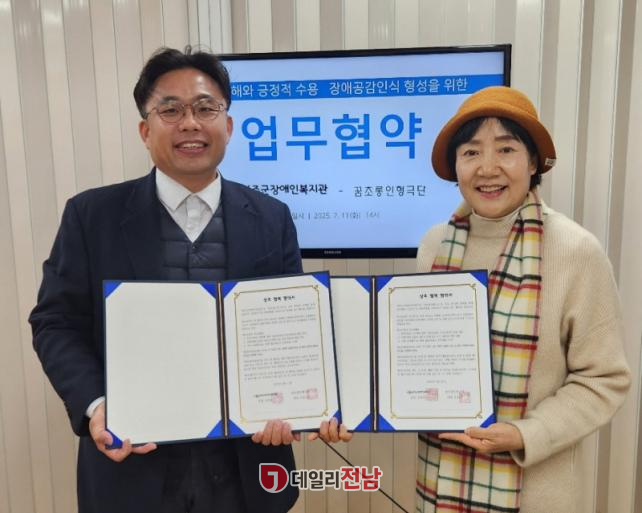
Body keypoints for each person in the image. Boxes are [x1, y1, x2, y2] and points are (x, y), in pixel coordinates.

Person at [30, 46, 314, 513]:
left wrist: (295, 403)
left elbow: (291, 331)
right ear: (145, 130)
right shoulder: (91, 216)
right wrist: (97, 405)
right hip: (131, 467)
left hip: (244, 469)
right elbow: (56, 322)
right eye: (171, 110)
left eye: (205, 108)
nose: (190, 123)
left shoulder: (271, 217)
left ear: (228, 125)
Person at [415, 86, 631, 513]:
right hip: (439, 486)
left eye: (506, 149)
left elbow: (603, 379)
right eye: (471, 152)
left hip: (536, 494)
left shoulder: (575, 250)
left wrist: (525, 434)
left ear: (533, 162)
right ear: (456, 166)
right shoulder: (434, 246)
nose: (487, 168)